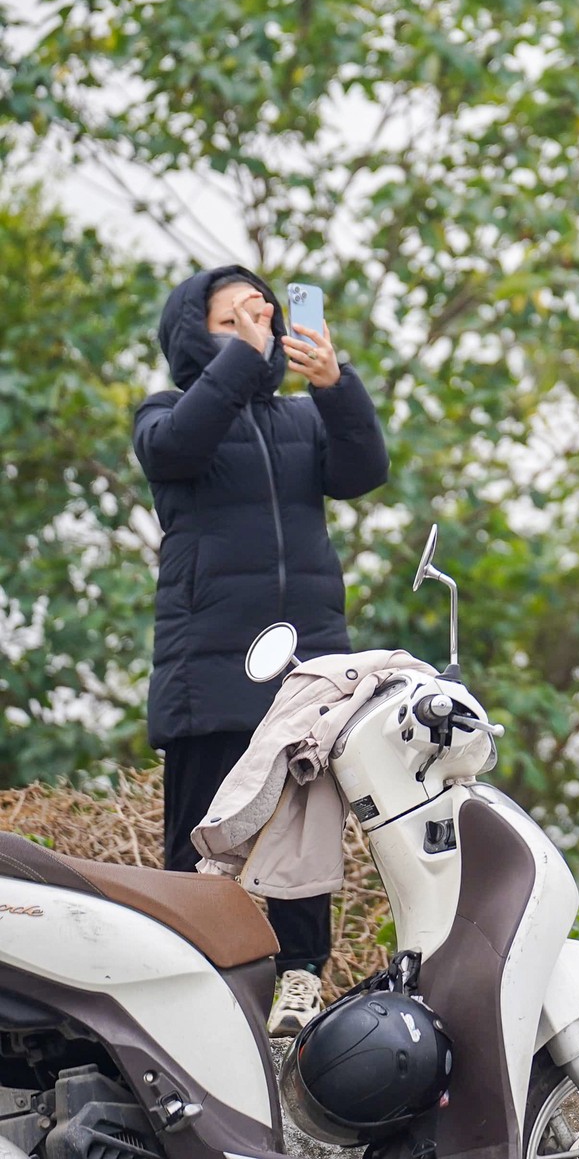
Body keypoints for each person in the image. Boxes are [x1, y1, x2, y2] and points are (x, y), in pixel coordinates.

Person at [136, 265, 390, 1036]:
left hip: (304, 664)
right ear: (193, 334)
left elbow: (363, 470)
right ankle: (192, 981)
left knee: (302, 823)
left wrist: (336, 384)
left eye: (264, 314)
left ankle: (300, 977)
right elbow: (178, 448)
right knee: (201, 836)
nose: (258, 326)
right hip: (208, 663)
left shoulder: (302, 420)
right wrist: (243, 358)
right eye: (232, 318)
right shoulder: (168, 412)